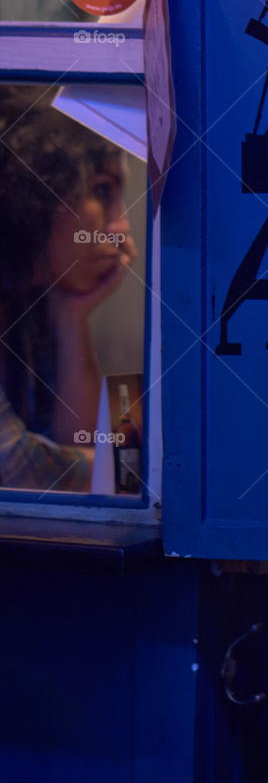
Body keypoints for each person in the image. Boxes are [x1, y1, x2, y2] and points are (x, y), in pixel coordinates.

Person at [0, 85, 137, 491]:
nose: (122, 229)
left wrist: (72, 315)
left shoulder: (32, 297)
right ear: (35, 190)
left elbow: (85, 445)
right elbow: (14, 469)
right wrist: (109, 469)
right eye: (101, 191)